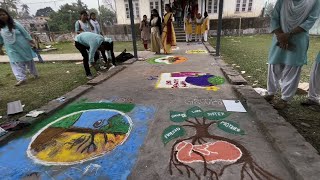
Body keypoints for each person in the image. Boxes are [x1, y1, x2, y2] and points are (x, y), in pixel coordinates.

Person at [264, 0, 320, 110]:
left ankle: (284, 99)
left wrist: (288, 35)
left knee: (292, 68)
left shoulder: (314, 1)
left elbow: (310, 20)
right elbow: (275, 17)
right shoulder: (283, 1)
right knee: (274, 65)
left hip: (298, 39)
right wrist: (280, 35)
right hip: (279, 36)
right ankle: (270, 93)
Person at [0, 9, 39, 86]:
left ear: (7, 15)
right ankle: (21, 78)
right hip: (11, 48)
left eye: (3, 14)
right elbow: (0, 39)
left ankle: (34, 73)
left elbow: (24, 32)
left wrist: (31, 41)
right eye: (0, 15)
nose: (2, 16)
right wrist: (0, 48)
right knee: (15, 62)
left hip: (22, 45)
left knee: (28, 60)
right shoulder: (0, 28)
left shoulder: (15, 24)